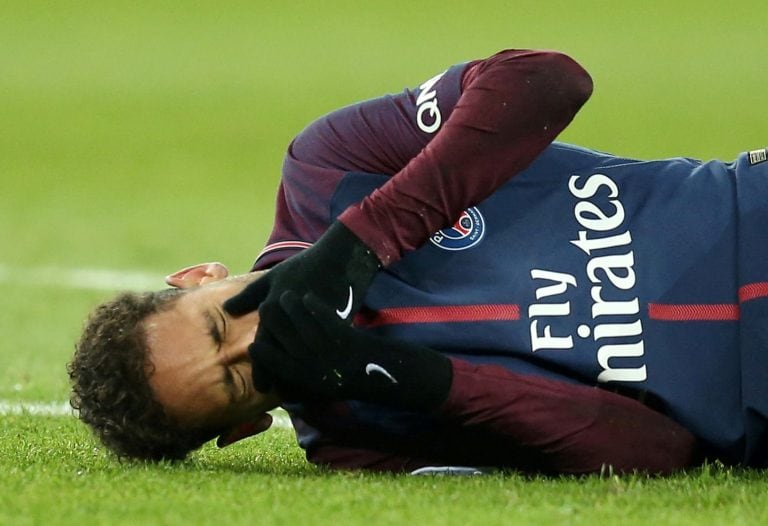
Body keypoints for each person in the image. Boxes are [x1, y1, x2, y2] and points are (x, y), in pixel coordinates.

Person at [69, 48, 768, 474]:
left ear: (198, 277)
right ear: (243, 427)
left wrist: (356, 242)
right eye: (236, 381)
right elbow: (656, 452)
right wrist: (408, 379)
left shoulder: (328, 170)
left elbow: (549, 80)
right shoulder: (358, 440)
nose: (256, 340)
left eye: (219, 327)